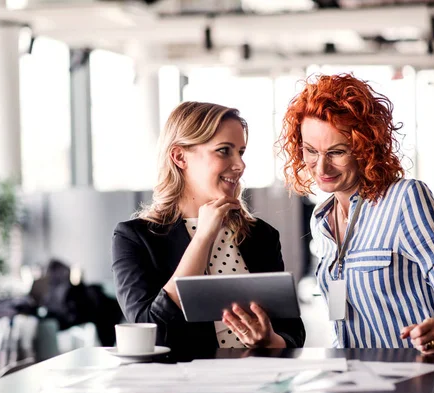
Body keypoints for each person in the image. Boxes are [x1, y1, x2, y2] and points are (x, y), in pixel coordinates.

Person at [277, 73, 434, 389]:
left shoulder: (406, 200)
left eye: (336, 152)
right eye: (311, 151)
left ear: (364, 146)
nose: (321, 168)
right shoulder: (321, 219)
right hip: (350, 386)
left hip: (415, 388)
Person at [112, 101, 305, 353]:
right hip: (183, 388)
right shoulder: (135, 238)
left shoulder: (261, 235)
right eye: (224, 150)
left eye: (241, 152)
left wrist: (269, 340)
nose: (240, 164)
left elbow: (292, 332)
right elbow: (152, 332)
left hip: (257, 384)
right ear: (180, 157)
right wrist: (203, 237)